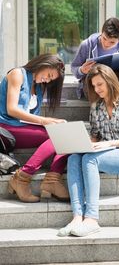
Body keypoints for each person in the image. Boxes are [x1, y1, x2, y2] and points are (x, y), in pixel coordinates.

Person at [58, 64, 119, 237]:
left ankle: (91, 219)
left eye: (100, 85)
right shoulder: (96, 107)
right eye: (94, 86)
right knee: (74, 158)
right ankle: (77, 216)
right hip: (105, 153)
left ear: (110, 81)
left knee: (90, 160)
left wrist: (108, 144)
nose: (96, 89)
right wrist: (80, 143)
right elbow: (96, 136)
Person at [0, 54, 69, 202]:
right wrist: (45, 121)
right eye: (49, 75)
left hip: (21, 128)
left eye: (51, 79)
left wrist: (54, 122)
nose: (48, 80)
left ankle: (53, 179)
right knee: (58, 135)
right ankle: (22, 177)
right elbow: (12, 109)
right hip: (6, 126)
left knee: (64, 132)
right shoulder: (17, 74)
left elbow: (31, 118)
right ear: (43, 64)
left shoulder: (38, 87)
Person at [71, 17, 119, 99]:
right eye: (104, 38)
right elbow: (74, 68)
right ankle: (100, 109)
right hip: (94, 84)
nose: (106, 43)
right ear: (101, 33)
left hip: (116, 82)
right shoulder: (87, 45)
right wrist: (82, 70)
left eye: (112, 42)